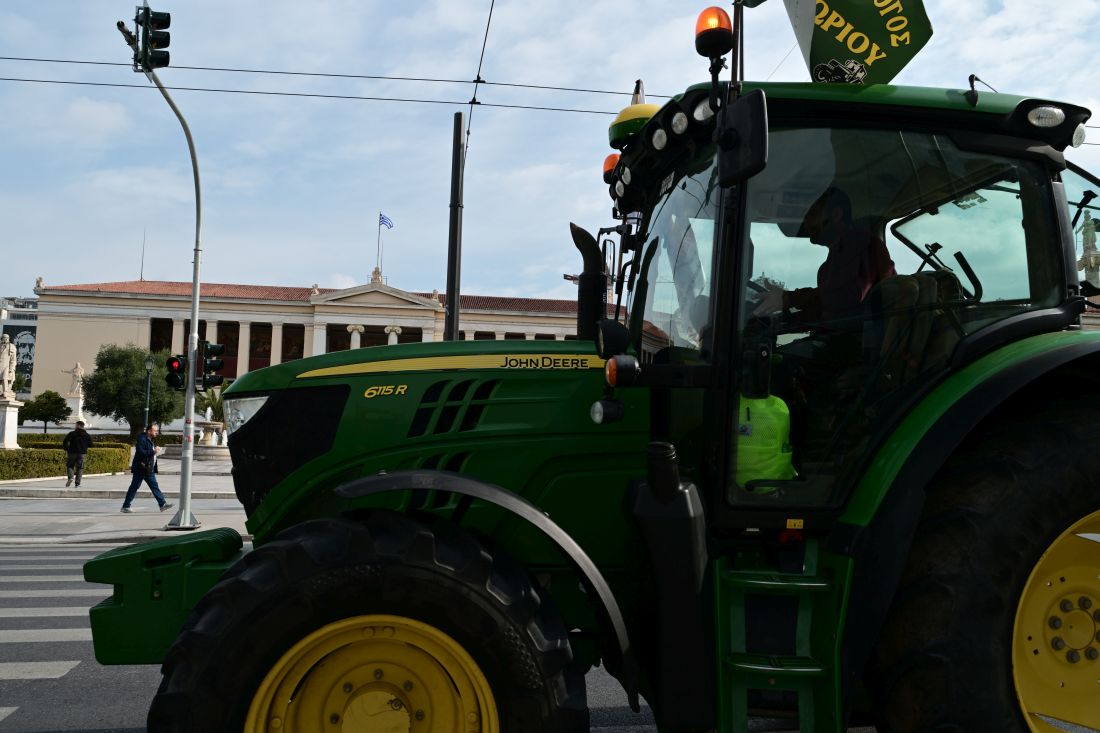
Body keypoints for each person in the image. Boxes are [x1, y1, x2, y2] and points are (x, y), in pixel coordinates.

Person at [756, 186, 896, 327]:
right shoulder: (827, 268)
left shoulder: (864, 244)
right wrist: (779, 321)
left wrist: (789, 299)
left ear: (835, 214)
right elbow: (825, 314)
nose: (807, 222)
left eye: (812, 214)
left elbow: (847, 297)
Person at [121, 424, 173, 513]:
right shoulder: (142, 439)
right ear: (149, 431)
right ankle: (126, 506)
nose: (157, 432)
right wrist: (154, 451)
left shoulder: (149, 439)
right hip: (141, 468)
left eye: (157, 431)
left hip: (147, 468)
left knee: (150, 486)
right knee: (136, 487)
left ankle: (162, 504)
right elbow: (141, 452)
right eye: (155, 431)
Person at [62, 420, 93, 488]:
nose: (74, 426)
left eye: (75, 425)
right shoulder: (87, 435)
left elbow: (65, 441)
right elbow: (91, 444)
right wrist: (84, 446)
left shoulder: (72, 433)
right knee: (80, 468)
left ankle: (70, 477)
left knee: (70, 465)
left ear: (78, 426)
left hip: (72, 452)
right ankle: (77, 483)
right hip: (82, 453)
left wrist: (66, 449)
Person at [0, 334, 15, 399]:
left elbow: (13, 359)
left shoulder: (12, 346)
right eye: (4, 338)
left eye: (7, 338)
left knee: (4, 378)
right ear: (1, 338)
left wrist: (11, 368)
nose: (6, 339)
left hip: (6, 365)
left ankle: (5, 392)